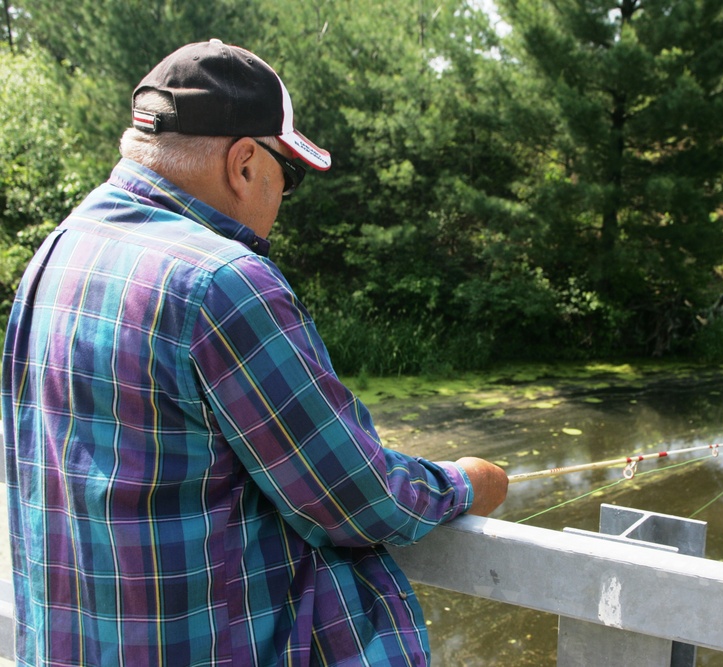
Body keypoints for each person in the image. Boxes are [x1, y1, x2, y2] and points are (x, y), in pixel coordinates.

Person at [1, 39, 508, 666]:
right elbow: (360, 497)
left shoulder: (55, 257)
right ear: (244, 162)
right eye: (286, 177)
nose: (281, 201)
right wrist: (466, 483)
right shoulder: (224, 282)